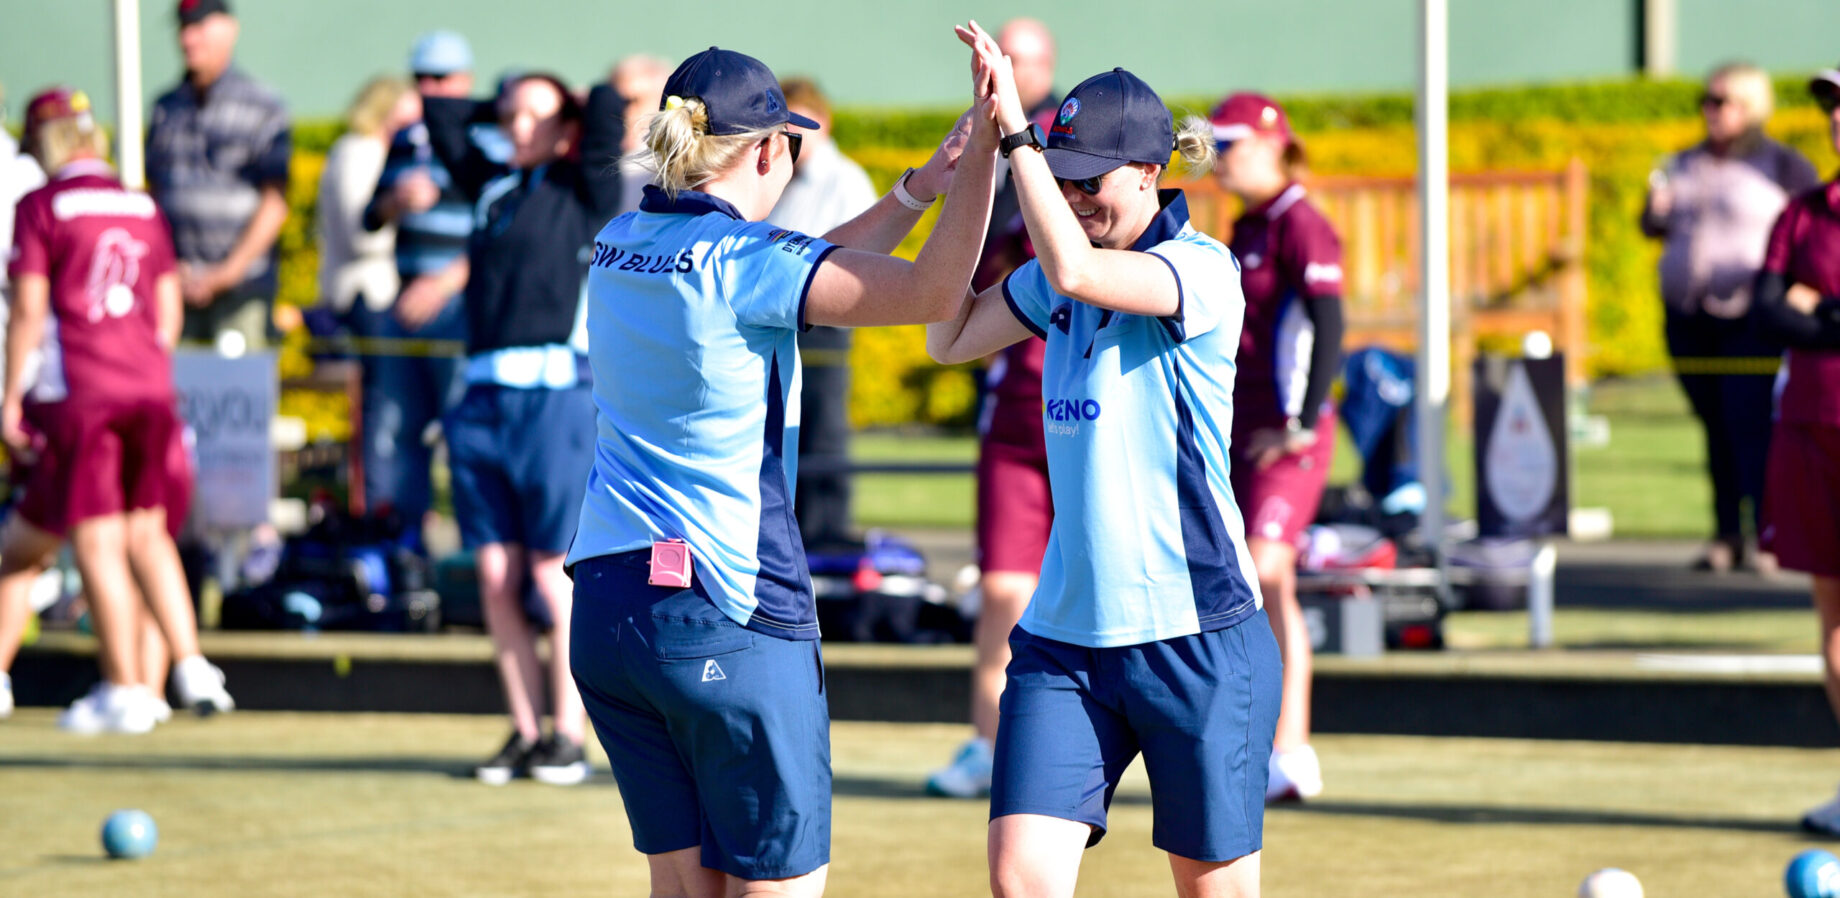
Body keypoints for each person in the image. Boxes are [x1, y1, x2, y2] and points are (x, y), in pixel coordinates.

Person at [565, 43, 995, 897]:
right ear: (767, 150)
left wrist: (918, 189)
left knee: (683, 890)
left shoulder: (619, 239)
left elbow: (803, 269)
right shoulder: (746, 265)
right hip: (726, 603)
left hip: (609, 608)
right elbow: (934, 295)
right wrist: (986, 161)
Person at [933, 24, 1279, 896]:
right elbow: (948, 334)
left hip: (1194, 632)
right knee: (1021, 880)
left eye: (1089, 179)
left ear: (1149, 173)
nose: (1074, 194)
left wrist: (1020, 138)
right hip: (1066, 639)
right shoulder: (1057, 270)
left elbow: (1081, 273)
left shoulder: (1201, 272)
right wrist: (980, 162)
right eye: (1060, 177)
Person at [4, 86, 234, 732]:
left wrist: (11, 395)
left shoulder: (41, 205)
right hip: (151, 386)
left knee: (99, 537)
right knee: (149, 530)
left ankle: (125, 686)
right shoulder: (141, 204)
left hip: (83, 388)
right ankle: (191, 665)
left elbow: (27, 310)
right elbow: (167, 313)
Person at [421, 69, 624, 786]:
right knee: (495, 572)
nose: (516, 127)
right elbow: (441, 116)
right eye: (508, 116)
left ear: (565, 125)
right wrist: (506, 108)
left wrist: (563, 105)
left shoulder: (583, 191)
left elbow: (605, 111)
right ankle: (526, 729)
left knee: (547, 571)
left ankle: (569, 735)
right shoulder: (492, 189)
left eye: (535, 117)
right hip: (480, 399)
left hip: (555, 399)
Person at [927, 15, 1063, 800]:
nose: (1009, 70)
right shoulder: (979, 141)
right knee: (1005, 587)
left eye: (1022, 61)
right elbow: (953, 296)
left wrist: (1011, 142)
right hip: (1012, 391)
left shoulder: (1061, 144)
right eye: (1001, 57)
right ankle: (988, 739)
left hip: (1078, 387)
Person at [1210, 91, 1345, 803]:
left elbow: (1331, 322)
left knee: (1267, 570)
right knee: (1250, 578)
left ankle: (1291, 748)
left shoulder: (1301, 225)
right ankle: (1264, 745)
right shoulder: (1246, 226)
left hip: (1288, 435)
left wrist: (1302, 422)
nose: (1221, 157)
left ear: (1272, 145)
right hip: (1239, 427)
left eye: (1233, 144)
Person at [1641, 62, 1820, 574]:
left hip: (1750, 317)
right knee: (1713, 425)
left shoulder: (1781, 166)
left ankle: (1767, 533)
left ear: (1752, 108)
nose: (1711, 111)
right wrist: (1655, 209)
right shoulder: (1683, 162)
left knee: (1751, 424)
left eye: (1723, 102)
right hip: (1688, 314)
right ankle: (1726, 532)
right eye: (1707, 100)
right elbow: (1653, 225)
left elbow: (1812, 229)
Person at [357, 31, 489, 550]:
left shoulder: (488, 137)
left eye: (442, 78)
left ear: (465, 81)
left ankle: (473, 558)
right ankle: (403, 553)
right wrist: (395, 200)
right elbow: (369, 217)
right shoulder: (406, 136)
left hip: (457, 304)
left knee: (462, 433)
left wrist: (446, 281)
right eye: (421, 78)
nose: (431, 88)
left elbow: (502, 230)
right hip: (405, 305)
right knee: (395, 432)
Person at [1760, 66, 1840, 837]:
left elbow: (1802, 307)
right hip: (1814, 426)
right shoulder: (1805, 214)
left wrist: (1819, 308)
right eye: (1835, 106)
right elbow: (1769, 309)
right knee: (1833, 615)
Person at [768, 76, 879, 548]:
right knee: (781, 432)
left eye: (799, 125)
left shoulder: (845, 180)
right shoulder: (778, 178)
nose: (790, 137)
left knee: (822, 431)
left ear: (824, 123)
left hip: (825, 324)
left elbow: (862, 258)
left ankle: (826, 538)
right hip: (779, 320)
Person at [145, 0, 291, 355]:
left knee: (240, 398)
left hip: (242, 291)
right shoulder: (165, 107)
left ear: (229, 28)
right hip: (177, 288)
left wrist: (227, 272)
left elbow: (275, 202)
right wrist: (167, 266)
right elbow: (154, 194)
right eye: (183, 28)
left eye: (198, 26)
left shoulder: (263, 105)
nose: (187, 39)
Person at [317, 76, 414, 332]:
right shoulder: (360, 153)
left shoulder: (371, 152)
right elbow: (360, 236)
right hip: (365, 293)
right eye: (404, 123)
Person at [608, 54, 673, 218]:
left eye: (634, 101)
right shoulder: (593, 150)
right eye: (615, 100)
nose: (623, 110)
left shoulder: (672, 159)